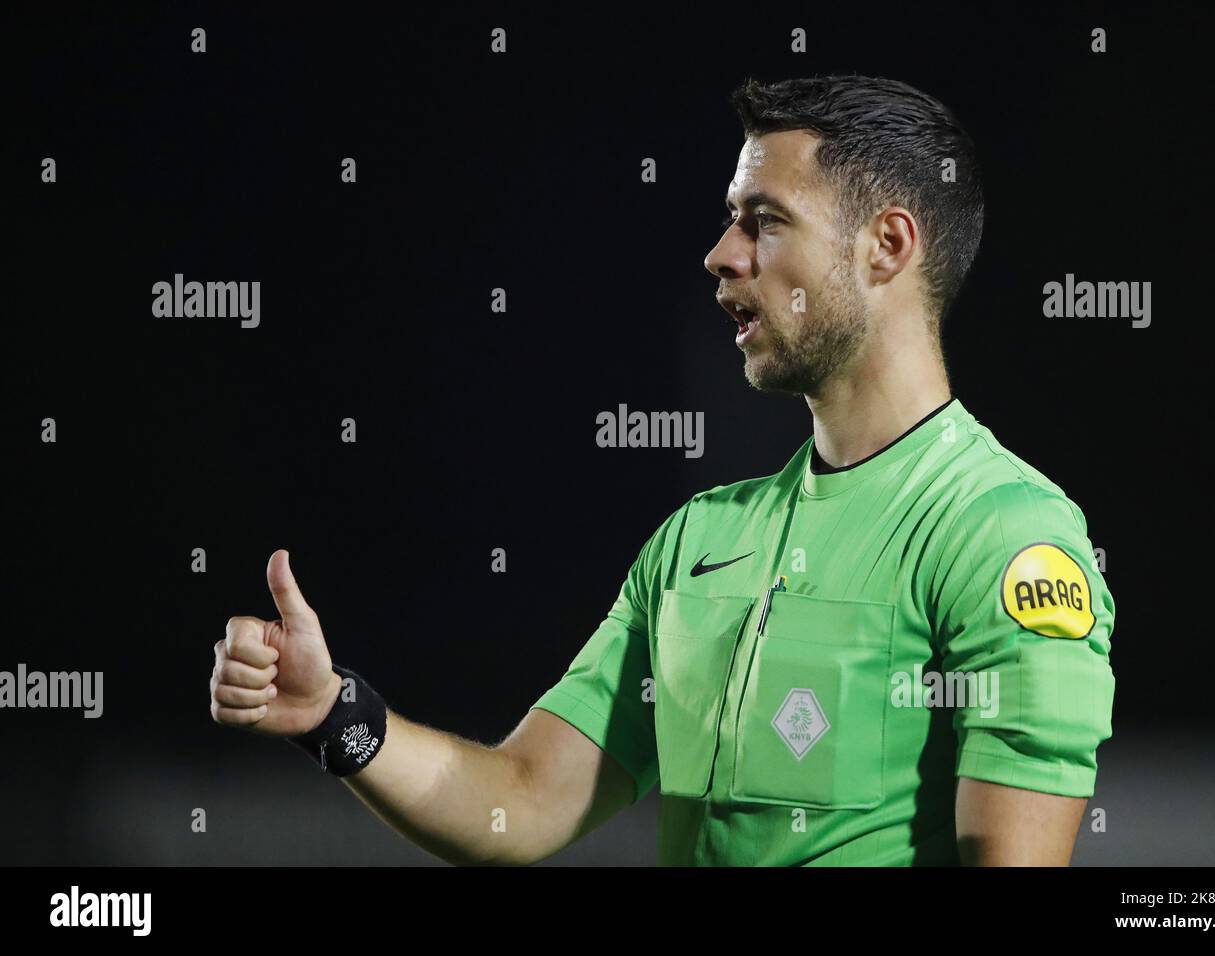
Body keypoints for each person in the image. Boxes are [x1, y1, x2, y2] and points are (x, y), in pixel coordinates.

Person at [210, 74, 1115, 866]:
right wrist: (335, 714)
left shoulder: (1007, 537)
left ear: (887, 246)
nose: (722, 254)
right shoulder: (699, 541)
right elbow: (520, 801)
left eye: (763, 221)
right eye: (732, 221)